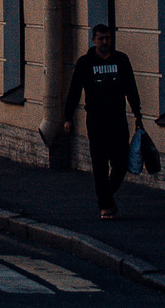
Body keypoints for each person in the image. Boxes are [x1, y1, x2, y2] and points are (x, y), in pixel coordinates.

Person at [58, 23, 147, 219]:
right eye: (101, 39)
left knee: (121, 162)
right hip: (96, 121)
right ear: (93, 40)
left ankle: (107, 195)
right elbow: (74, 91)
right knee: (99, 165)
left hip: (118, 120)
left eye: (107, 38)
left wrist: (137, 114)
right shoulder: (85, 63)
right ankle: (105, 207)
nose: (105, 42)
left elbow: (131, 88)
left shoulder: (121, 60)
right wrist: (68, 117)